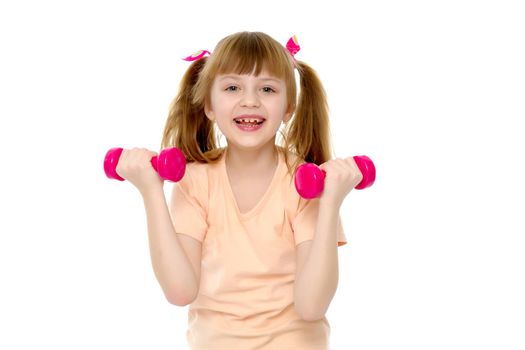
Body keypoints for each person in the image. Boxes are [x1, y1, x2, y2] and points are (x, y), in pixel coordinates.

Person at [116, 31, 364, 350]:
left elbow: (311, 306)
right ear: (208, 104)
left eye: (267, 89)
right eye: (233, 87)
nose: (250, 100)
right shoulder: (197, 181)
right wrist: (151, 192)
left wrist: (330, 203)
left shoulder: (305, 183)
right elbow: (179, 291)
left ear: (288, 107)